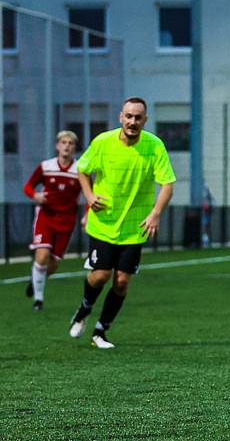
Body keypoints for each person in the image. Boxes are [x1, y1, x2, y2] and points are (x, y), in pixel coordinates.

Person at [67, 97, 176, 349]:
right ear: (120, 117)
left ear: (145, 120)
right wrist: (90, 195)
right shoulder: (103, 142)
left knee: (122, 281)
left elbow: (168, 184)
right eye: (128, 116)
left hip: (135, 227)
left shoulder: (154, 146)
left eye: (138, 117)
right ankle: (84, 308)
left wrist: (156, 213)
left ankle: (100, 332)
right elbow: (82, 169)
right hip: (104, 222)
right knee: (100, 276)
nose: (133, 121)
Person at [22, 130, 84, 310]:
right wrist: (35, 195)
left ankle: (35, 280)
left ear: (74, 147)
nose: (67, 146)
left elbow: (89, 193)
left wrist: (88, 214)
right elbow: (28, 186)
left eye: (70, 143)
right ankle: (38, 300)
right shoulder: (45, 166)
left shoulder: (80, 170)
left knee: (53, 264)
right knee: (42, 255)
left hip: (67, 220)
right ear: (57, 146)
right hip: (46, 216)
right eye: (63, 142)